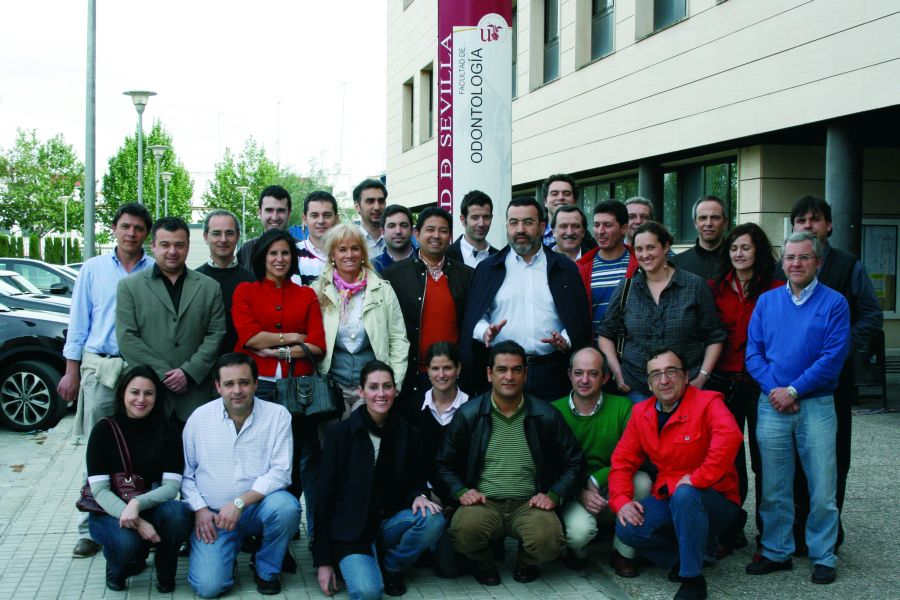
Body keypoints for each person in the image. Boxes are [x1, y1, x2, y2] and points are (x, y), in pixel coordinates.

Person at [744, 232, 850, 585]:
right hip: (772, 403)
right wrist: (776, 390)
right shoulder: (767, 302)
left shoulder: (835, 303)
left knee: (822, 487)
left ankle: (823, 555)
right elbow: (753, 354)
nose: (796, 264)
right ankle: (776, 551)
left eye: (804, 257)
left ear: (817, 261)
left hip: (816, 405)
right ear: (782, 262)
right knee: (774, 487)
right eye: (789, 258)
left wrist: (793, 389)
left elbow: (832, 358)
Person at [437, 341, 584, 586]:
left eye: (516, 370)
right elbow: (443, 463)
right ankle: (484, 563)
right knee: (463, 532)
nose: (509, 376)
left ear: (526, 374)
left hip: (529, 504)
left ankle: (526, 563)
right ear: (489, 374)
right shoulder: (470, 415)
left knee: (549, 540)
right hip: (484, 503)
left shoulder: (545, 415)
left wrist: (555, 494)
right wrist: (460, 491)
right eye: (502, 369)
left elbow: (575, 462)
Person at [60, 202, 155, 558]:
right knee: (97, 449)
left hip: (139, 371)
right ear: (113, 228)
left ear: (146, 233)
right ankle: (89, 527)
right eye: (125, 226)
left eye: (139, 228)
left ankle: (139, 519)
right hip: (100, 368)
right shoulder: (93, 269)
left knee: (139, 449)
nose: (131, 233)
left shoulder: (155, 268)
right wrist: (71, 371)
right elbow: (78, 322)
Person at [611, 348, 743, 600]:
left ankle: (692, 580)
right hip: (669, 495)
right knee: (627, 527)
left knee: (685, 494)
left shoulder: (707, 402)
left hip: (716, 499)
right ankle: (691, 555)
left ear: (685, 376)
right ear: (649, 384)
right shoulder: (642, 413)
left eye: (671, 371)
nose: (664, 380)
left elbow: (730, 437)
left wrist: (698, 478)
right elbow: (622, 461)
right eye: (656, 374)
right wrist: (621, 501)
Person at [789, 195, 882, 550]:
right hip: (791, 381)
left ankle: (829, 531)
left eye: (815, 219)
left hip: (833, 383)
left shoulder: (848, 266)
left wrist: (839, 349)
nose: (808, 225)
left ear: (828, 226)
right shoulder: (788, 266)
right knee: (792, 459)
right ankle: (797, 529)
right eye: (801, 220)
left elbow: (871, 315)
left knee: (832, 458)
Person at [315, 360, 445, 599]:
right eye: (373, 387)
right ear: (361, 391)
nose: (381, 394)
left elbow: (416, 478)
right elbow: (323, 499)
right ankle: (360, 563)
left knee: (433, 518)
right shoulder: (340, 436)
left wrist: (419, 495)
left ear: (395, 390)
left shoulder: (408, 432)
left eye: (387, 386)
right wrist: (323, 562)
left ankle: (392, 565)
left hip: (388, 524)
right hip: (352, 532)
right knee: (367, 593)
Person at [182, 353, 301, 597]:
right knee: (209, 587)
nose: (237, 390)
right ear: (217, 387)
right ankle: (226, 553)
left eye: (244, 382)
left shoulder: (278, 415)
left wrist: (240, 502)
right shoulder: (198, 419)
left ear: (256, 383)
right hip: (214, 516)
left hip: (257, 508)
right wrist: (200, 510)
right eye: (229, 384)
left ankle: (266, 567)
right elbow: (186, 474)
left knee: (287, 507)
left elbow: (281, 473)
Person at [232, 228, 327, 527]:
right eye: (273, 253)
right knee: (258, 460)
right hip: (256, 388)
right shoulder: (245, 291)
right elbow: (249, 336)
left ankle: (308, 529)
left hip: (298, 390)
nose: (280, 259)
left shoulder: (307, 294)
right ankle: (258, 529)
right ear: (262, 257)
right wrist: (293, 338)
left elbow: (317, 345)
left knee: (304, 460)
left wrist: (279, 351)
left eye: (285, 252)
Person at [460, 197, 591, 400]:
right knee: (506, 431)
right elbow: (472, 319)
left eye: (528, 222)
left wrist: (565, 339)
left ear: (541, 226)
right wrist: (484, 331)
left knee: (548, 430)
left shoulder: (564, 268)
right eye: (514, 222)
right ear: (506, 226)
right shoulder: (488, 269)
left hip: (552, 372)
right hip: (504, 371)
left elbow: (580, 319)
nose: (520, 229)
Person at [707, 223, 782, 549]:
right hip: (725, 382)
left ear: (758, 252)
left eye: (746, 248)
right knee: (730, 459)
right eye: (734, 248)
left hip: (764, 383)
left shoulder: (777, 288)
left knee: (766, 459)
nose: (739, 254)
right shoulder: (715, 288)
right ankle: (732, 526)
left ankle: (771, 531)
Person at [86, 365, 192, 593]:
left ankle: (165, 569)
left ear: (157, 396)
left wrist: (137, 504)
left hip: (147, 504)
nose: (141, 399)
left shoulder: (168, 429)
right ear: (123, 393)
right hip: (108, 511)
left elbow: (172, 487)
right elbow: (100, 491)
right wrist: (137, 521)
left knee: (179, 513)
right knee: (127, 543)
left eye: (148, 393)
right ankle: (117, 565)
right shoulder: (104, 430)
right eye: (134, 392)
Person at [598, 221, 725, 403]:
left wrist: (703, 377)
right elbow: (605, 333)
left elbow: (714, 336)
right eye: (639, 249)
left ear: (666, 247)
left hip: (686, 389)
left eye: (651, 247)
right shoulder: (627, 287)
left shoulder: (694, 286)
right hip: (637, 389)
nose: (645, 255)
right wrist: (617, 372)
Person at [116, 216, 226, 424]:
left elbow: (216, 334)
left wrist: (188, 372)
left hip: (195, 393)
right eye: (165, 245)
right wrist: (164, 374)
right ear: (153, 246)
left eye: (179, 245)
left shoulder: (209, 287)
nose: (172, 251)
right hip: (150, 394)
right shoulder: (129, 287)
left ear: (188, 247)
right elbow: (126, 337)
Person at [552, 347, 649, 577]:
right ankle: (574, 551)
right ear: (569, 375)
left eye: (593, 373)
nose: (584, 380)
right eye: (578, 373)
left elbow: (634, 455)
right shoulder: (553, 411)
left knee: (643, 482)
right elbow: (550, 467)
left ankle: (623, 552)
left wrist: (596, 479)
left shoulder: (623, 408)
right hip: (572, 491)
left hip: (612, 484)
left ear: (605, 377)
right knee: (579, 533)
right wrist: (579, 490)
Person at [382, 207, 474, 419]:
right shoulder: (393, 276)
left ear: (450, 236)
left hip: (453, 377)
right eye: (430, 229)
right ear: (417, 234)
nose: (436, 235)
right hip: (411, 377)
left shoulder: (466, 276)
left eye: (443, 231)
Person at [312, 223, 409, 417]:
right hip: (330, 387)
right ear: (332, 255)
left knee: (368, 443)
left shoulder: (382, 290)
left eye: (355, 248)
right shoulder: (317, 291)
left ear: (363, 253)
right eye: (342, 249)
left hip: (372, 388)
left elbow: (398, 340)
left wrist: (393, 384)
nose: (349, 254)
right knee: (333, 444)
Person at [413, 342, 470, 577]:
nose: (441, 374)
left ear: (458, 369)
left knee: (449, 568)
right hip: (426, 497)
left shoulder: (474, 408)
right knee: (421, 560)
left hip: (463, 498)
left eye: (447, 368)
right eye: (435, 368)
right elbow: (408, 462)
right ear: (427, 370)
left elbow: (478, 462)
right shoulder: (412, 408)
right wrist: (425, 492)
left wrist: (453, 497)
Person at [196, 209, 255, 358]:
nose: (223, 239)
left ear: (238, 237)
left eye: (229, 233)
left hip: (243, 366)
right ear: (205, 237)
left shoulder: (252, 282)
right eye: (216, 233)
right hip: (202, 368)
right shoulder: (192, 280)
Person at [577, 200, 639, 338]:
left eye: (607, 225)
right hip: (593, 353)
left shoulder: (640, 265)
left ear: (623, 228)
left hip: (631, 351)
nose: (600, 231)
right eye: (596, 225)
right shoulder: (582, 267)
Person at [236, 185, 294, 270]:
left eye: (280, 210)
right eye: (269, 210)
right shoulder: (246, 250)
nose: (275, 217)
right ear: (259, 212)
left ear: (289, 213)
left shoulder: (301, 249)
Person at [672, 196, 728, 280]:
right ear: (695, 223)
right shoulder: (676, 264)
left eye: (715, 217)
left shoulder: (737, 261)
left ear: (725, 222)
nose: (708, 223)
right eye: (703, 218)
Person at [539, 173, 596, 249]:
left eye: (566, 194)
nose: (561, 197)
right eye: (554, 194)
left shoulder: (590, 244)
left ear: (575, 201)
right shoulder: (534, 234)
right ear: (545, 202)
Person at [296, 190, 340, 285]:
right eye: (314, 215)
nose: (321, 221)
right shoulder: (294, 253)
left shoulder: (349, 253)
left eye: (327, 215)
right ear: (304, 220)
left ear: (337, 219)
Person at [446, 189, 498, 267]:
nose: (481, 224)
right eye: (475, 217)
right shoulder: (444, 256)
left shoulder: (500, 258)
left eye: (486, 217)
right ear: (463, 220)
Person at [372, 204, 415, 272]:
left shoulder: (427, 263)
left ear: (412, 231)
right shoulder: (372, 267)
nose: (398, 231)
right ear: (382, 232)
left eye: (404, 226)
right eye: (391, 226)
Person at [353, 178, 387, 257]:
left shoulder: (397, 238)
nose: (377, 207)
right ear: (357, 206)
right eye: (370, 201)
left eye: (381, 201)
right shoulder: (349, 242)